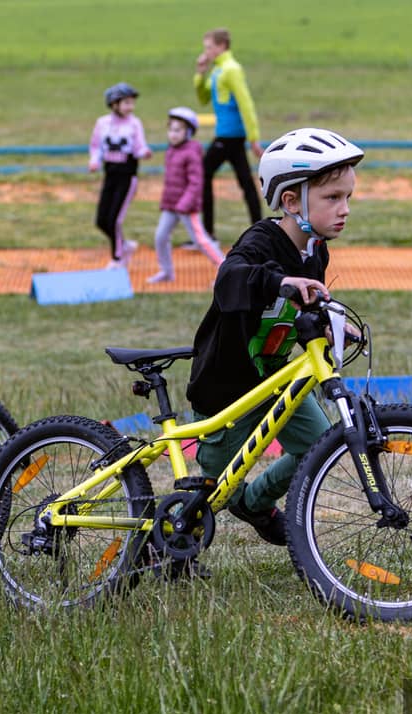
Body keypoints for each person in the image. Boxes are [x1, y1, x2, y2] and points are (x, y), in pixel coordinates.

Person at [186, 128, 363, 545]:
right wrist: (279, 282)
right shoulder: (261, 241)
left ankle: (256, 504)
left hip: (275, 378)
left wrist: (326, 324)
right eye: (332, 198)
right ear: (291, 201)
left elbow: (299, 310)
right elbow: (230, 279)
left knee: (319, 446)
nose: (344, 209)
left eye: (348, 197)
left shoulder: (315, 249)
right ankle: (163, 552)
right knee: (215, 493)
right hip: (227, 388)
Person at [193, 28, 264, 244]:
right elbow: (203, 98)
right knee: (245, 182)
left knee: (203, 173)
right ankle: (260, 232)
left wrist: (254, 138)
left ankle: (207, 233)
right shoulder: (218, 70)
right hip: (227, 136)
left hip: (229, 136)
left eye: (209, 47)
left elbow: (246, 103)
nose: (206, 52)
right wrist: (200, 73)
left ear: (222, 46)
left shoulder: (231, 69)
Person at [148, 107, 225, 283]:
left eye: (178, 130)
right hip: (171, 205)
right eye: (170, 130)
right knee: (160, 237)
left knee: (201, 241)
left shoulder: (191, 153)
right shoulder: (171, 150)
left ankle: (226, 271)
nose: (173, 134)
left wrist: (185, 204)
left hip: (186, 207)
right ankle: (167, 272)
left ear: (189, 132)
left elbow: (196, 183)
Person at [89, 82, 152, 269]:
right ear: (114, 104)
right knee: (102, 220)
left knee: (115, 220)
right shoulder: (102, 123)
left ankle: (117, 259)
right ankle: (125, 246)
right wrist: (94, 160)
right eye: (126, 103)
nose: (130, 107)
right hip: (110, 175)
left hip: (127, 176)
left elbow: (139, 146)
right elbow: (96, 146)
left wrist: (144, 152)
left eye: (132, 103)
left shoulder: (134, 123)